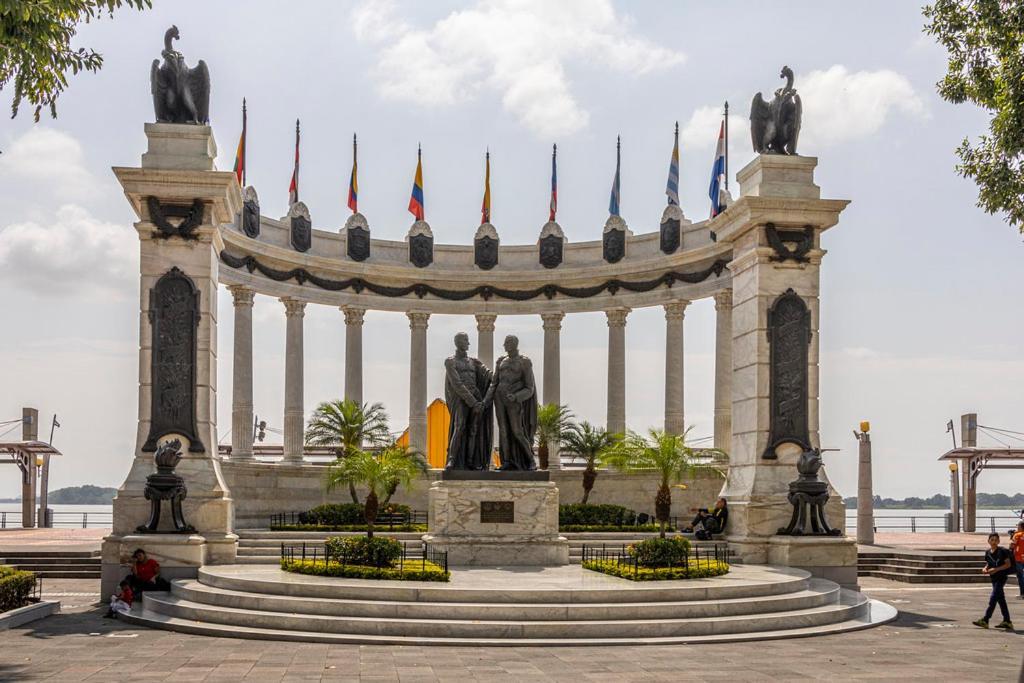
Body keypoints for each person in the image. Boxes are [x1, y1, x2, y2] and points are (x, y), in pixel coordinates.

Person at [973, 532, 1014, 630]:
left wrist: (996, 569)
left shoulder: (1002, 551)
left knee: (993, 598)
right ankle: (1007, 621)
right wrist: (985, 568)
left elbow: (1008, 564)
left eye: (996, 540)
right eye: (992, 540)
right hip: (993, 578)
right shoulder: (987, 552)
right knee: (1001, 600)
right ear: (988, 541)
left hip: (1001, 577)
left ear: (999, 541)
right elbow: (989, 563)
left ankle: (985, 619)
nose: (994, 542)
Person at [1012, 522, 1024, 599]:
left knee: (1020, 576)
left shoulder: (1017, 535)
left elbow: (1013, 545)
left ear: (1021, 527)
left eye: (1018, 526)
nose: (1017, 527)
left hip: (1019, 558)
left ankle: (1022, 594)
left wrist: (1012, 536)